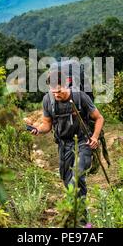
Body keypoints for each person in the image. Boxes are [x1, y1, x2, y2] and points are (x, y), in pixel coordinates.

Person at [28, 71, 104, 202]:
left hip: (83, 142)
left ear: (67, 84)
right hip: (64, 145)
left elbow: (99, 118)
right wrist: (38, 130)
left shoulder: (80, 97)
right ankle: (73, 209)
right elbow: (47, 124)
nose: (56, 94)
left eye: (59, 91)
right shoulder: (48, 100)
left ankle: (80, 215)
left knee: (77, 173)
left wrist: (95, 137)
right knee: (67, 179)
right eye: (53, 91)